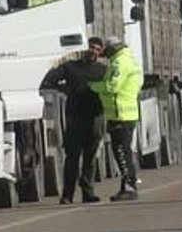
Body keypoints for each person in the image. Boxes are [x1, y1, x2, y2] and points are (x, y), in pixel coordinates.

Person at [41, 37, 108, 204]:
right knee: (72, 158)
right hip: (75, 117)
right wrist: (66, 90)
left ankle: (88, 192)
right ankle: (67, 195)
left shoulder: (102, 70)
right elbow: (48, 82)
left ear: (100, 52)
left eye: (97, 49)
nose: (93, 51)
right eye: (91, 47)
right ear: (86, 48)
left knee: (90, 158)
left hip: (95, 117)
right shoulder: (70, 67)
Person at [92, 35, 142, 202]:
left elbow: (112, 86)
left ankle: (129, 186)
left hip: (121, 114)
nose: (104, 55)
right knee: (123, 151)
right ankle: (127, 185)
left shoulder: (120, 63)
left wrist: (92, 86)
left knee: (121, 152)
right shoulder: (128, 59)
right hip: (124, 114)